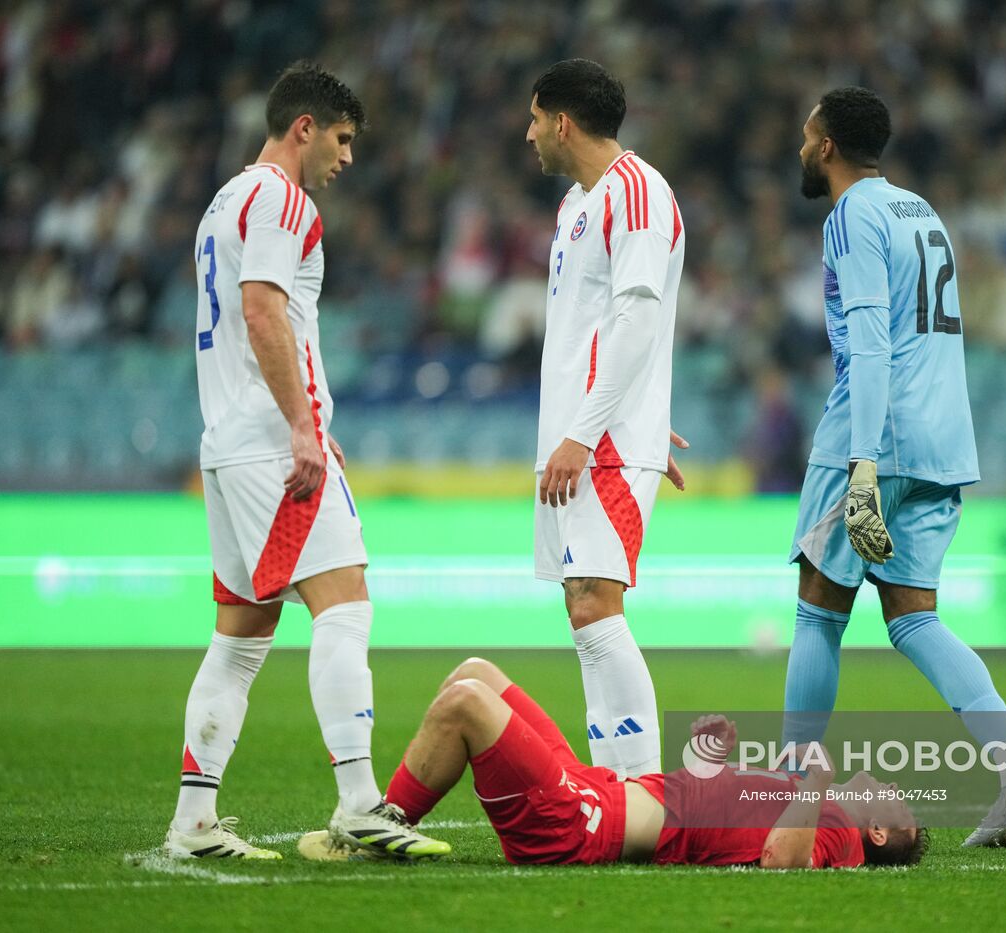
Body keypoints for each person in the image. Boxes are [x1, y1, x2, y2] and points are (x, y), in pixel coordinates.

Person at [165, 61, 448, 861]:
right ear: (304, 128)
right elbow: (262, 310)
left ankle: (193, 820)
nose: (348, 156)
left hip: (228, 444)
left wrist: (307, 412)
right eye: (343, 137)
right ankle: (361, 800)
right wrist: (301, 424)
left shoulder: (226, 199)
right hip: (272, 446)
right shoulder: (284, 200)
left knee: (241, 637)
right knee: (346, 600)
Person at [783, 87, 1006, 847]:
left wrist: (863, 463)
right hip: (943, 433)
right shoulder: (919, 211)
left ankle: (785, 788)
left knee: (818, 602)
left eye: (809, 137)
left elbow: (870, 341)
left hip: (876, 432)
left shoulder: (850, 217)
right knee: (912, 615)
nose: (802, 149)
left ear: (830, 145)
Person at [299, 658, 927, 869]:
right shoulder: (817, 806)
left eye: (900, 806)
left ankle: (379, 825)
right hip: (598, 790)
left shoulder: (841, 831)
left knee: (466, 703)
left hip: (581, 823)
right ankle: (382, 824)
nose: (898, 787)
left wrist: (813, 781)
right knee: (475, 673)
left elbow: (780, 862)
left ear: (876, 831)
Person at [525, 59, 687, 779]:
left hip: (599, 440)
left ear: (563, 122)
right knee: (581, 604)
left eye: (534, 120)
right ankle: (616, 786)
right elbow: (596, 329)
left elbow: (638, 316)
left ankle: (645, 788)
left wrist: (600, 428)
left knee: (596, 600)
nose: (527, 135)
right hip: (589, 432)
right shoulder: (576, 206)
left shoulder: (638, 192)